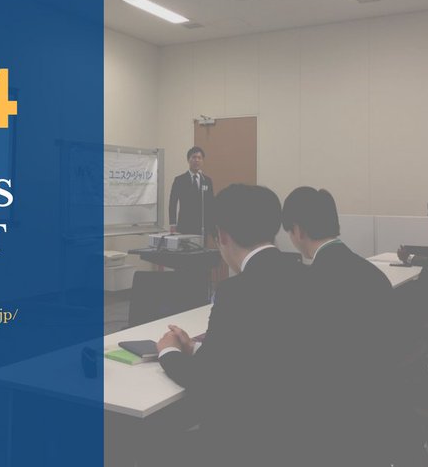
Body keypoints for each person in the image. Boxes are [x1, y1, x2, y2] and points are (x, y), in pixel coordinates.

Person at [156, 184, 305, 466]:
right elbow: (257, 353)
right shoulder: (306, 275)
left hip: (245, 442)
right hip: (299, 433)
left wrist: (168, 352)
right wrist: (196, 348)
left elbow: (207, 380)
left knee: (154, 440)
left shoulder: (236, 292)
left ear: (222, 235)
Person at [282, 186, 401, 466]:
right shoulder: (372, 274)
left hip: (330, 425)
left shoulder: (308, 285)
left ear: (298, 230)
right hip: (378, 412)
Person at [168, 146, 214, 236]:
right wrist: (172, 223)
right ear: (188, 160)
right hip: (185, 225)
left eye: (199, 158)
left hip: (202, 226)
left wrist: (212, 224)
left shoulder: (207, 180)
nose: (197, 160)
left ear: (202, 161)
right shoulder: (179, 180)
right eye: (194, 157)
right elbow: (173, 203)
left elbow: (210, 203)